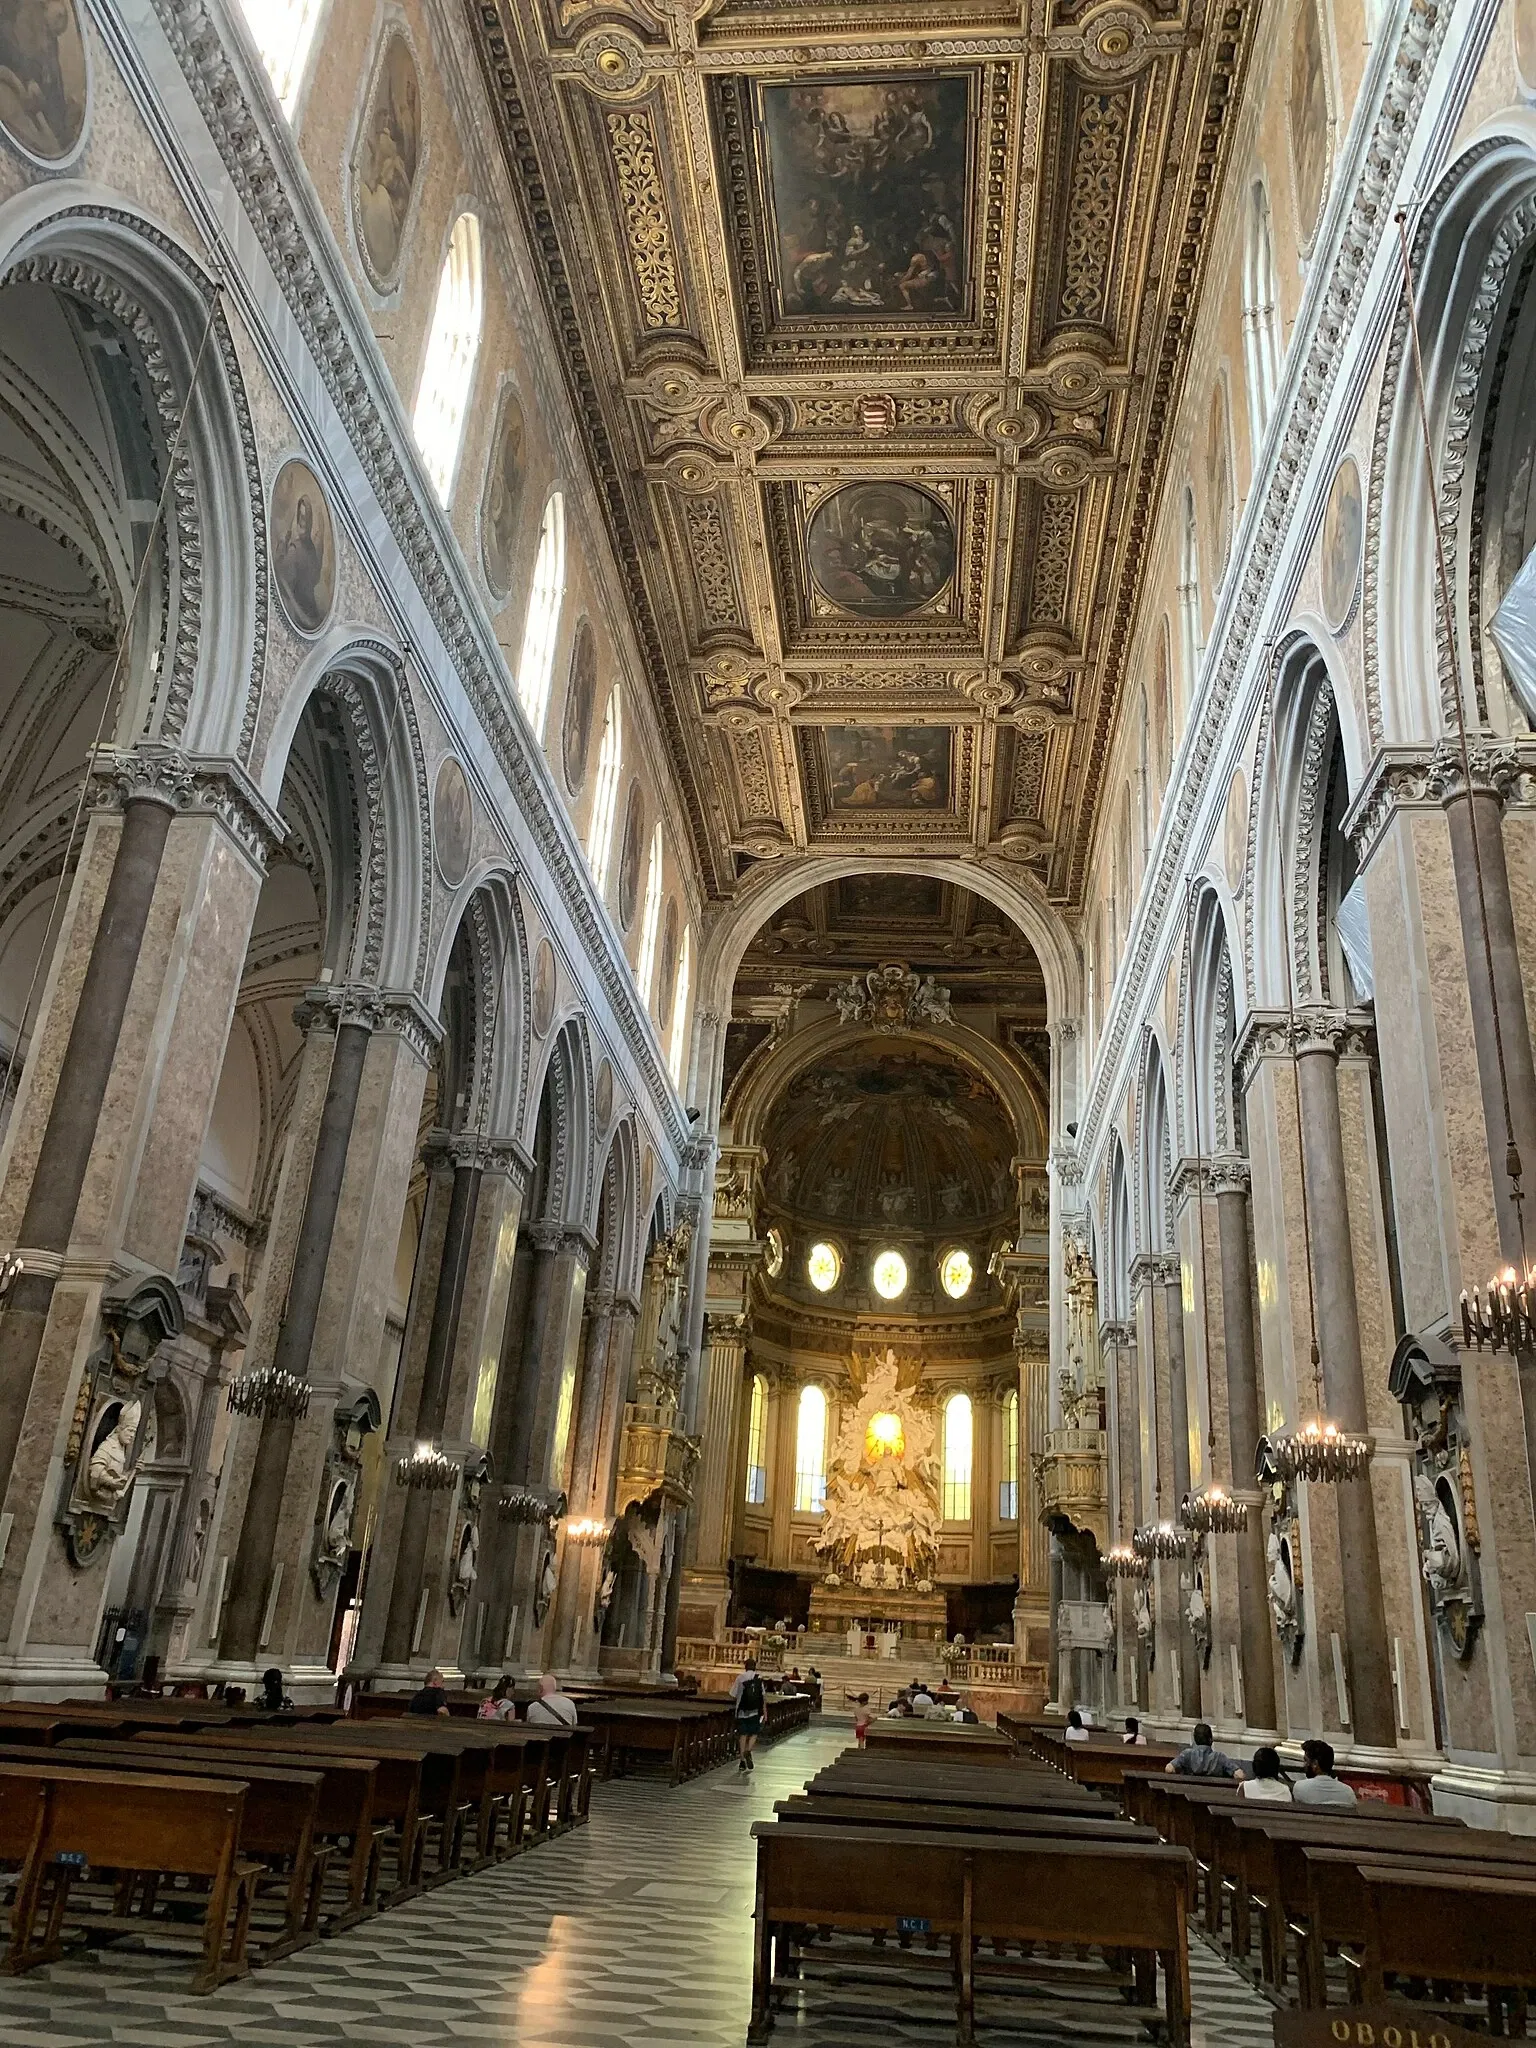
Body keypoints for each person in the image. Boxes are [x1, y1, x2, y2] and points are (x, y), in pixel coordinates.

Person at [1164, 1720, 1244, 1780]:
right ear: (1211, 1740)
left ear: (1195, 1739)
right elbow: (1240, 1775)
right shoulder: (1219, 1757)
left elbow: (1169, 1768)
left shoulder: (1186, 1754)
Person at [1291, 1737, 1357, 1807]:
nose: (1304, 1765)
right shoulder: (1348, 1792)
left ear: (1315, 1764)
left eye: (1306, 1760)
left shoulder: (1300, 1787)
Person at [731, 1656, 766, 1773]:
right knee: (754, 1733)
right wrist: (765, 1712)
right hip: (754, 1711)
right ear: (755, 1667)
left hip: (741, 1711)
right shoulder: (758, 1678)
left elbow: (733, 1694)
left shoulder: (740, 1678)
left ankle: (742, 1761)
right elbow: (763, 1697)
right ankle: (748, 1750)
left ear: (745, 1667)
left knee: (743, 1735)